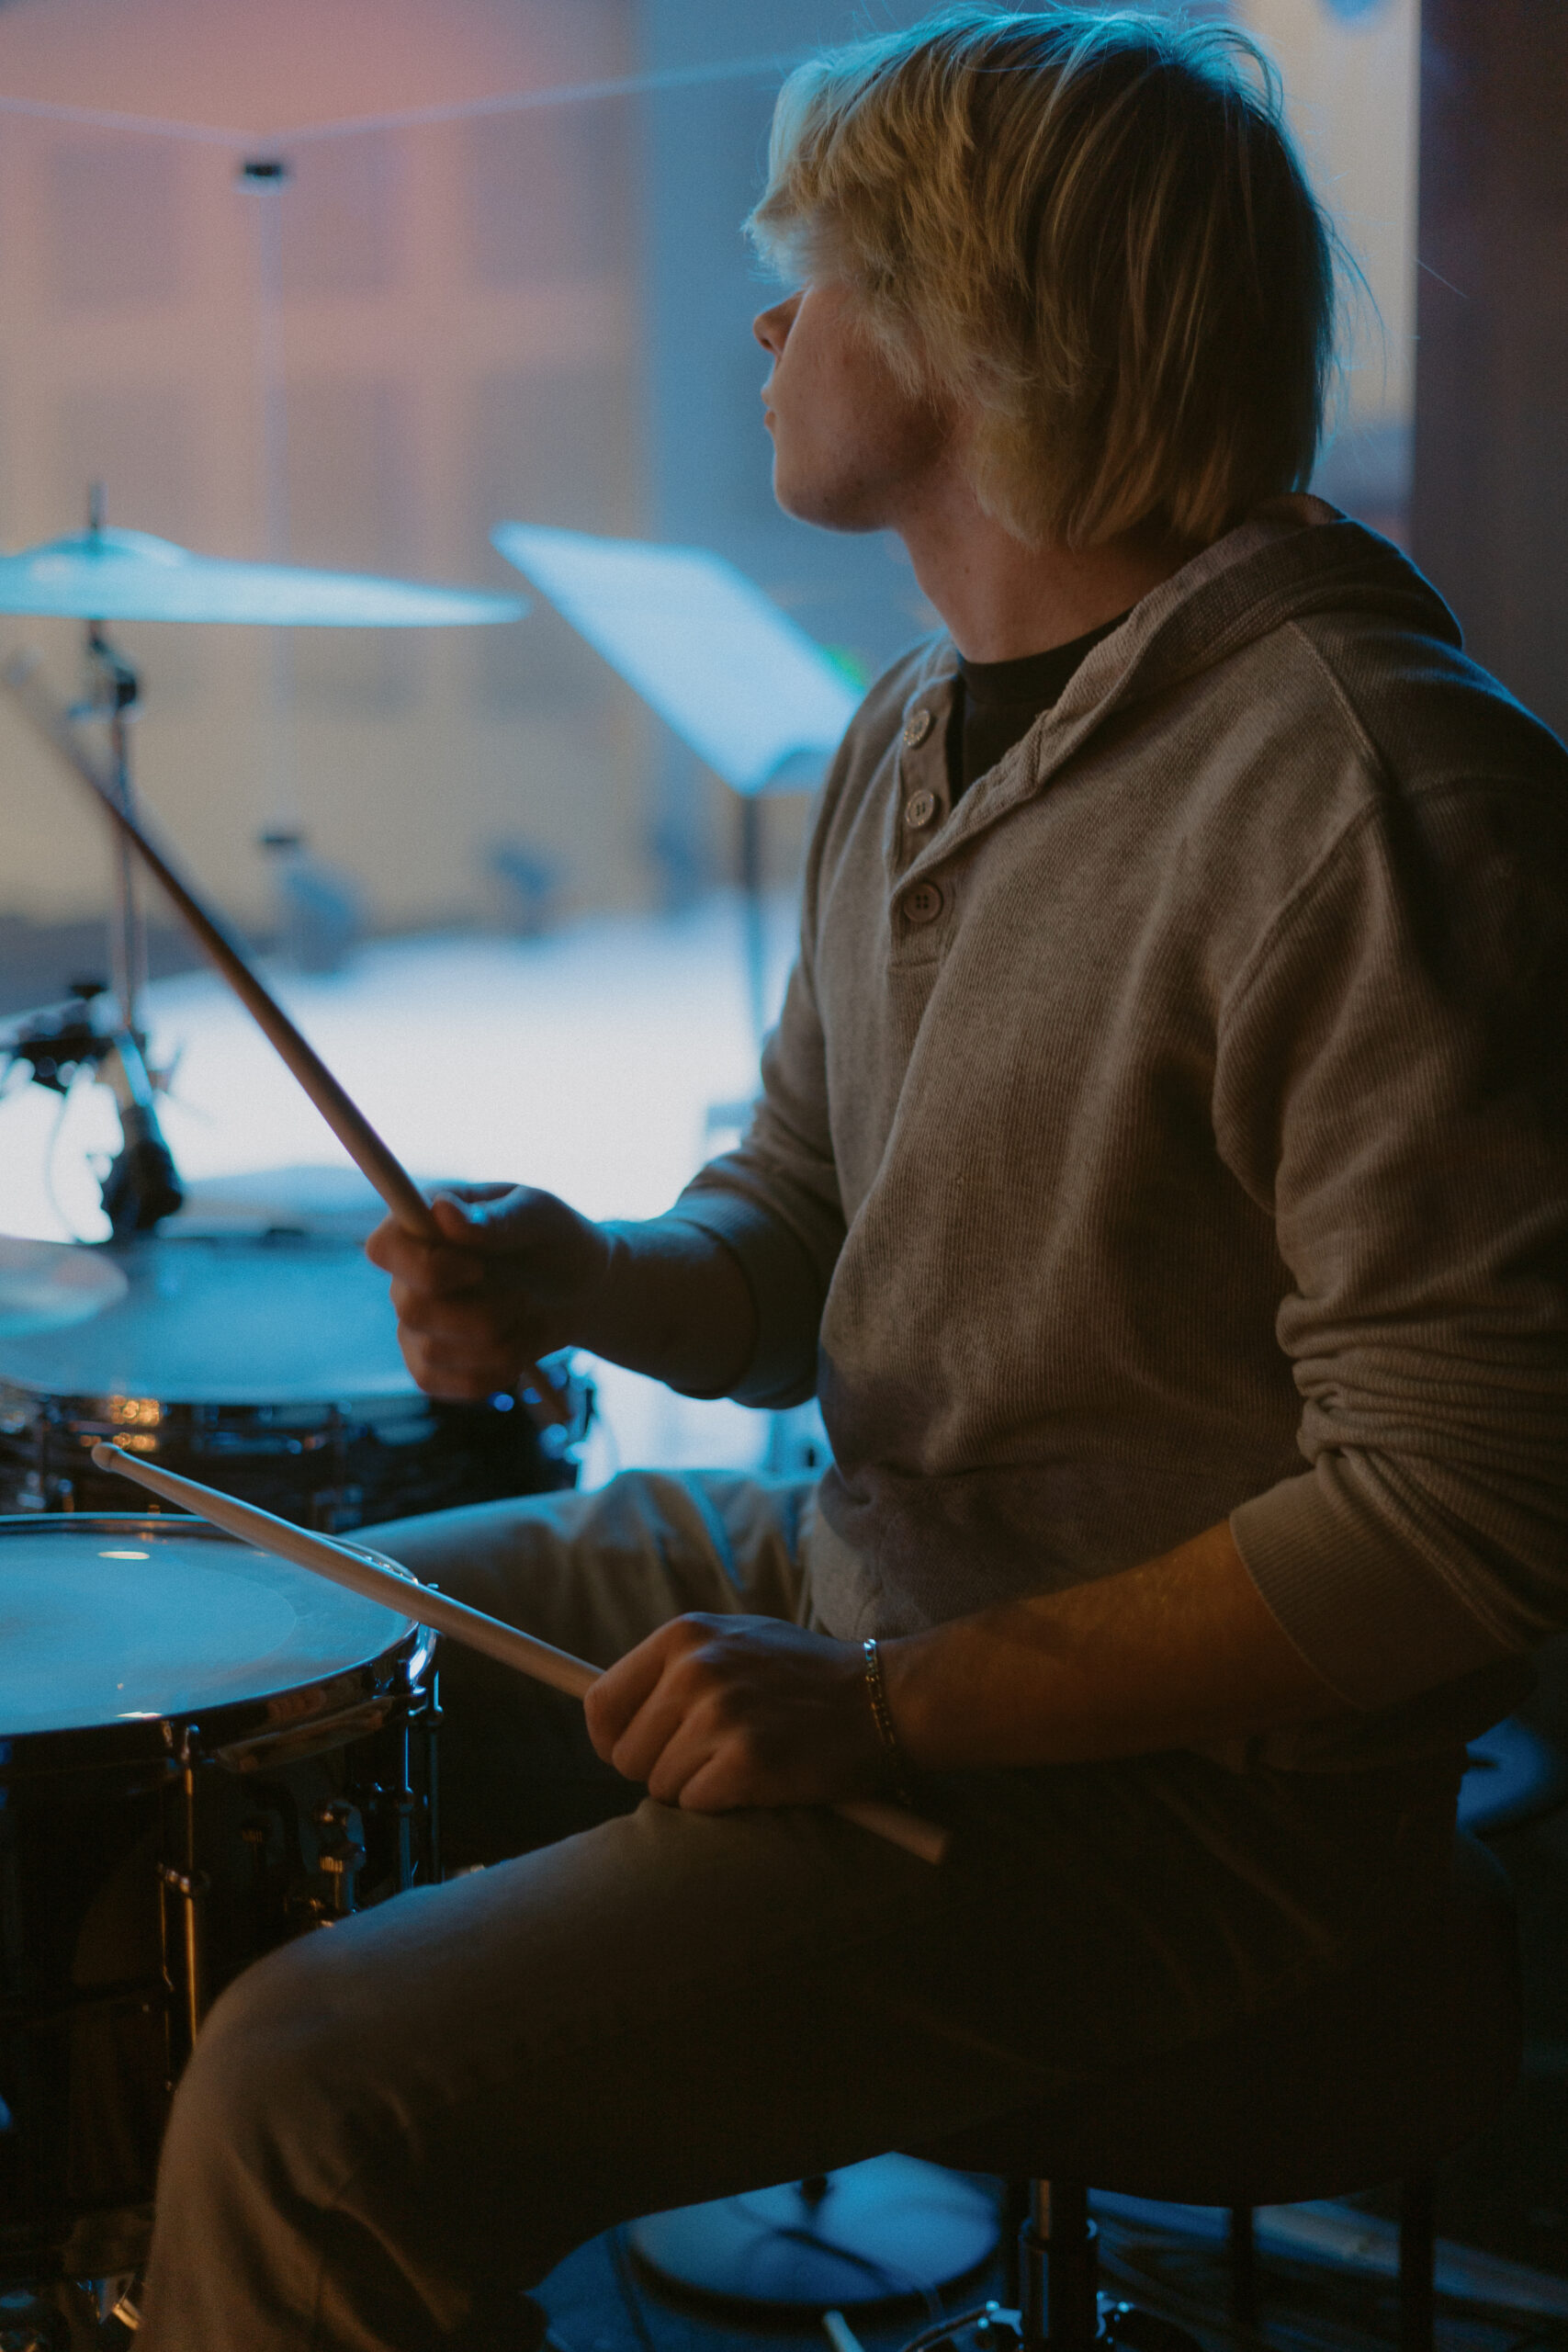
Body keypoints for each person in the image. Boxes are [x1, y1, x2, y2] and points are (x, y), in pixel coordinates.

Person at [138, 9, 1568, 2347]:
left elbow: (1467, 1516)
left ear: (982, 320)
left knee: (314, 2103)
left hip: (1191, 1795)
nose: (766, 320)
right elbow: (799, 1238)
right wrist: (589, 1272)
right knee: (251, 1681)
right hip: (867, 1554)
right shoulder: (915, 713)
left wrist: (887, 1704)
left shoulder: (1369, 797)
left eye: (808, 265)